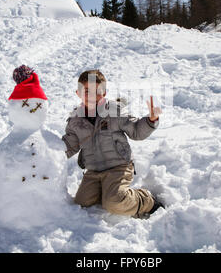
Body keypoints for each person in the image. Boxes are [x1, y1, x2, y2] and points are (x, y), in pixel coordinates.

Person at [62, 69, 164, 218]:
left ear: (104, 93)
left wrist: (150, 121)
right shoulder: (75, 120)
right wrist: (48, 153)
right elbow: (69, 146)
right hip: (93, 172)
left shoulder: (114, 112)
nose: (91, 96)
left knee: (114, 202)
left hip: (118, 167)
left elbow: (136, 130)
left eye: (97, 91)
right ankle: (108, 193)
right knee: (81, 204)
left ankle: (145, 200)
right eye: (86, 92)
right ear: (78, 93)